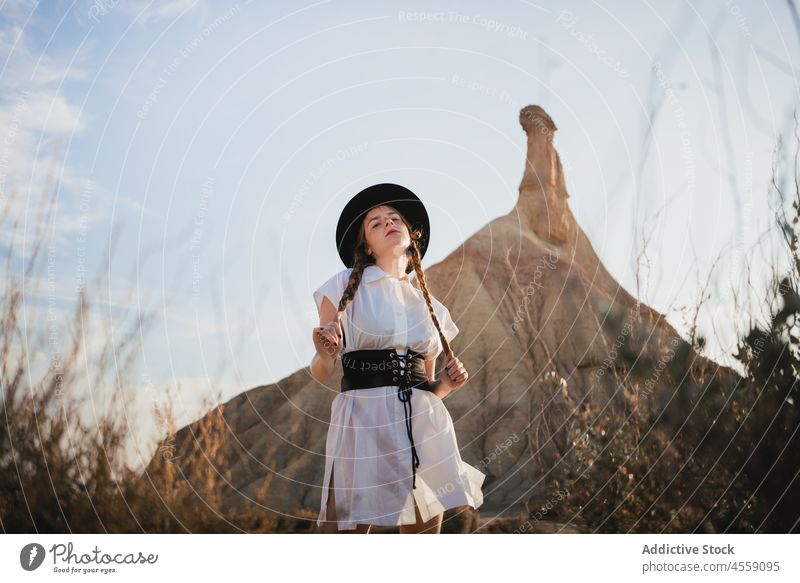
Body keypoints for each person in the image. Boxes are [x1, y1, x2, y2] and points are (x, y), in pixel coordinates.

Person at [310, 183, 485, 534]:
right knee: (341, 535)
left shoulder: (432, 307)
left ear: (411, 233)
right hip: (362, 419)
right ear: (366, 246)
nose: (387, 222)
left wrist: (447, 385)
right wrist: (323, 355)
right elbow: (321, 372)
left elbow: (429, 388)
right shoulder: (343, 286)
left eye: (394, 218)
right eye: (375, 223)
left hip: (423, 425)